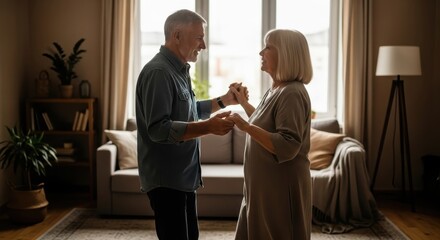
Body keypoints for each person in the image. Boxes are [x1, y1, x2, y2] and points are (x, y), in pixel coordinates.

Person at [135, 9, 246, 240]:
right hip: (167, 181)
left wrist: (224, 101)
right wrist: (208, 127)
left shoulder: (179, 70)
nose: (204, 45)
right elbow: (158, 129)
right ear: (177, 35)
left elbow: (189, 111)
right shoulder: (159, 72)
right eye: (199, 37)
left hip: (183, 178)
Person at [228, 29, 313, 240]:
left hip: (280, 189)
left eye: (267, 47)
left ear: (285, 54)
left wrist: (245, 127)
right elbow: (263, 122)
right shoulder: (277, 88)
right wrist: (244, 103)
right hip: (263, 186)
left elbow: (288, 145)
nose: (261, 52)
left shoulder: (291, 92)